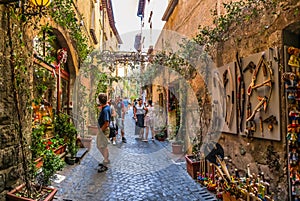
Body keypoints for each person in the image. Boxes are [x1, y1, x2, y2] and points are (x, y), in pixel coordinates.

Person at [97, 93, 111, 172]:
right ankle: (106, 159)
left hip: (103, 130)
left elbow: (106, 123)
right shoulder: (105, 107)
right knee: (100, 146)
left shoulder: (105, 109)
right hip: (103, 129)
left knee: (103, 146)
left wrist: (101, 131)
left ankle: (105, 162)